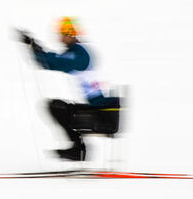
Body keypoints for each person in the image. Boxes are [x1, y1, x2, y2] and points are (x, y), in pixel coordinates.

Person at [18, 17, 119, 161]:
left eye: (62, 35)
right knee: (58, 107)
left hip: (100, 110)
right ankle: (77, 150)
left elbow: (54, 62)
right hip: (100, 107)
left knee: (56, 107)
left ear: (70, 35)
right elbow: (55, 59)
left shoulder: (80, 55)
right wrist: (35, 46)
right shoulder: (78, 51)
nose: (60, 39)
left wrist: (34, 48)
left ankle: (77, 150)